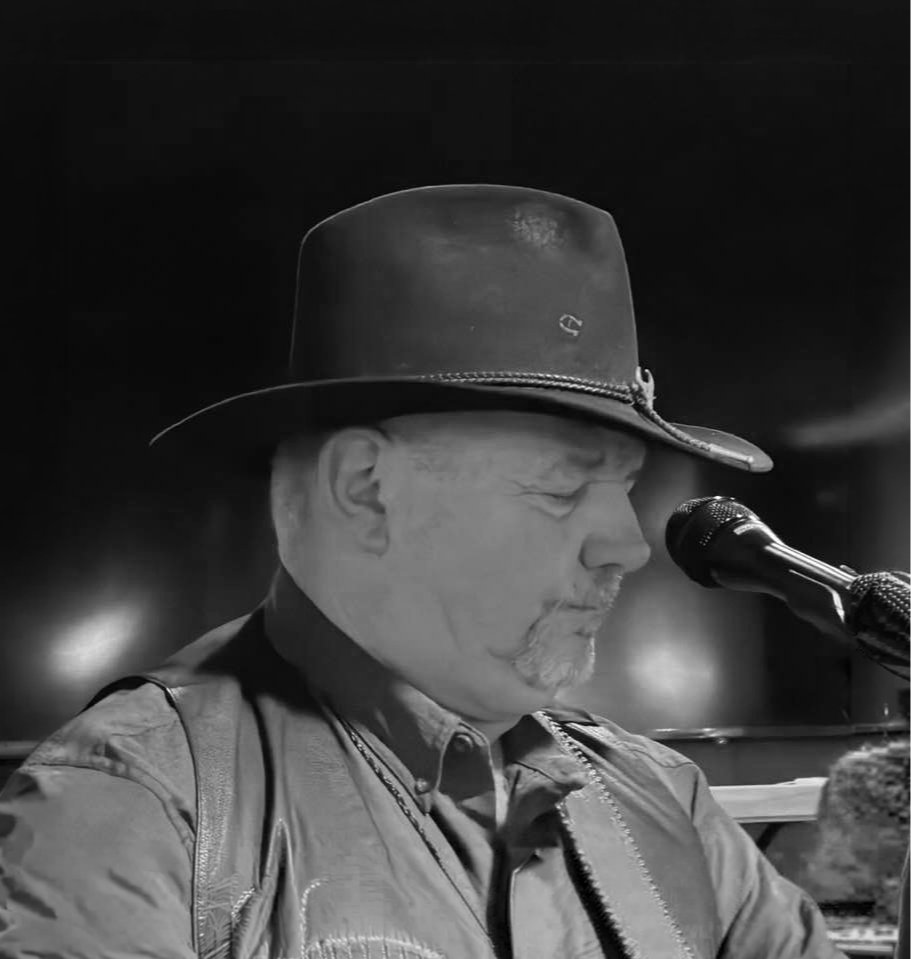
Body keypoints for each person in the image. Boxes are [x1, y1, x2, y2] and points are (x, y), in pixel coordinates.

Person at [0, 185, 844, 958]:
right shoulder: (135, 808)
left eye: (622, 486)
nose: (625, 544)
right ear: (365, 491)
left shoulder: (663, 800)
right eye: (562, 485)